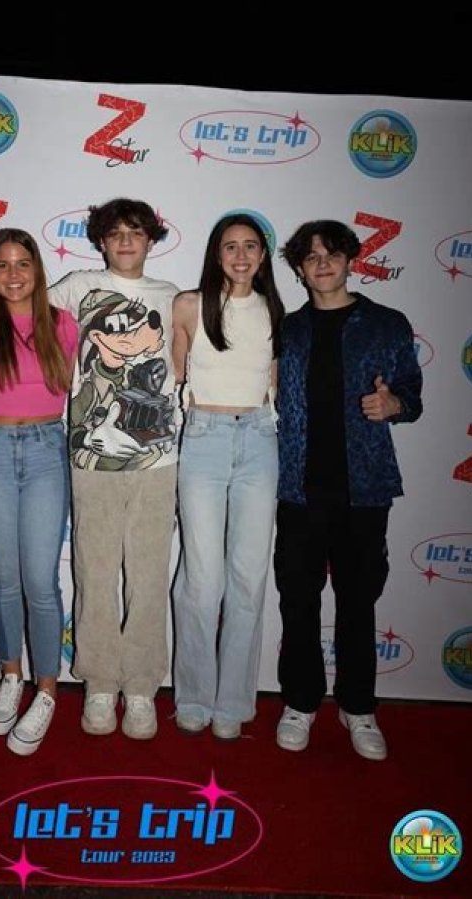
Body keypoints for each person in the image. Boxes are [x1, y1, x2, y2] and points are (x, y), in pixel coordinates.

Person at [274, 219, 422, 761]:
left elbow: (412, 395)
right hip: (297, 488)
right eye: (311, 256)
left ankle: (358, 706)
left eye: (332, 254)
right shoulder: (287, 329)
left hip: (364, 489)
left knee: (358, 602)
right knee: (298, 600)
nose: (322, 264)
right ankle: (301, 702)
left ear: (350, 260)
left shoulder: (387, 324)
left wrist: (395, 404)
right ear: (298, 268)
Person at [48, 198, 179, 740]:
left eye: (136, 232)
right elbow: (17, 305)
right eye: (116, 232)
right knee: (95, 571)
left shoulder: (171, 296)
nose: (126, 241)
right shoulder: (78, 287)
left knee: (149, 575)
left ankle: (142, 686)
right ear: (101, 241)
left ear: (151, 240)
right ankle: (100, 682)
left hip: (159, 458)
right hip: (91, 458)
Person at [0, 228, 77, 756]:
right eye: (2, 265)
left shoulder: (63, 324)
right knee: (4, 578)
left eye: (23, 263)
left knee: (40, 582)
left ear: (37, 269)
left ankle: (47, 691)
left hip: (45, 449)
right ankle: (11, 675)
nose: (13, 274)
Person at [171, 213, 284, 739]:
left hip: (260, 439)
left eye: (251, 246)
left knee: (248, 576)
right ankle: (194, 696)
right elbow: (171, 377)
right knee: (202, 577)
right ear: (216, 254)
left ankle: (234, 703)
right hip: (204, 438)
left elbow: (274, 382)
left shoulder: (276, 312)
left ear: (263, 255)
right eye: (230, 246)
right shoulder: (189, 306)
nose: (241, 256)